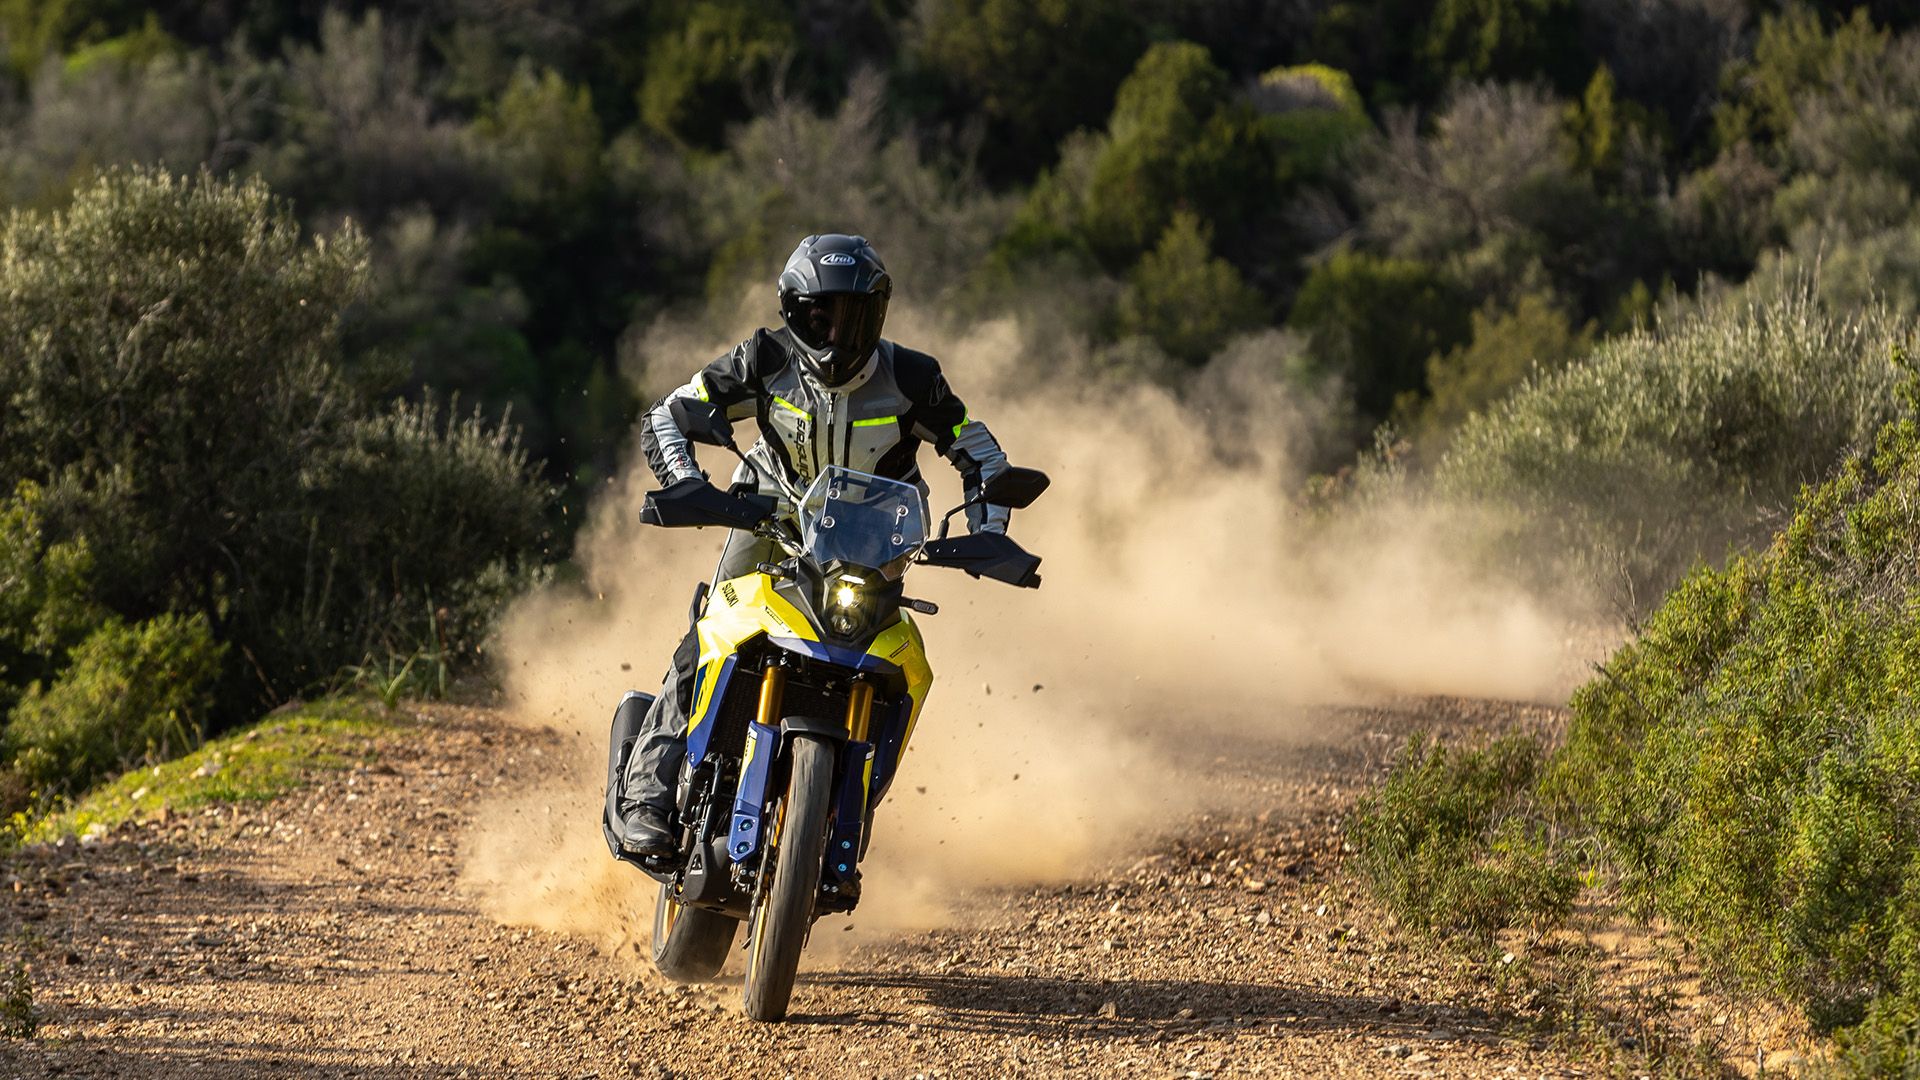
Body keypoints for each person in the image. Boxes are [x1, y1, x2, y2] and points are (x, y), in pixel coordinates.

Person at [617, 233, 1010, 855]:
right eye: (821, 316)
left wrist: (989, 532)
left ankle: (842, 809)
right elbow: (672, 411)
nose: (837, 336)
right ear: (792, 312)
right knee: (714, 630)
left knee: (892, 659)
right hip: (768, 516)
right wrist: (687, 481)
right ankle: (648, 795)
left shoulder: (914, 377)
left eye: (854, 318)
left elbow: (979, 452)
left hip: (873, 537)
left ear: (877, 315)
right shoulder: (764, 357)